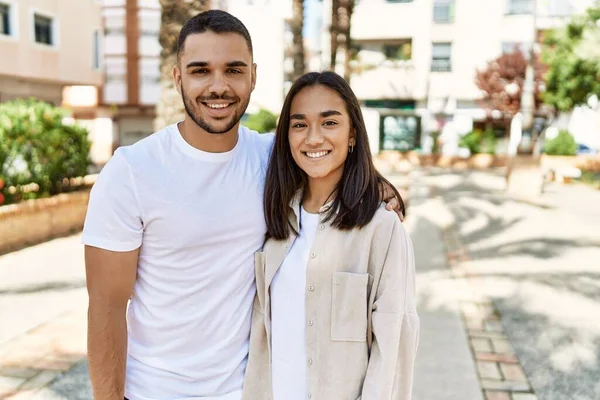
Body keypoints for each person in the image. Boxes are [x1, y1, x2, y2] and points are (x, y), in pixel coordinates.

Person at [83, 10, 403, 400]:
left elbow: (328, 155)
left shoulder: (273, 158)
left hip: (247, 390)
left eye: (233, 70)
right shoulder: (132, 171)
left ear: (253, 75)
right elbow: (106, 306)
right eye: (201, 70)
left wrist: (378, 184)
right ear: (178, 76)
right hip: (154, 391)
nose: (218, 86)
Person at [243, 71, 419, 400]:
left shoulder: (382, 228)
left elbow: (393, 347)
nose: (313, 138)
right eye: (299, 124)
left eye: (329, 122)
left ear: (353, 134)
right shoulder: (275, 221)